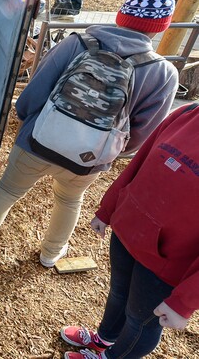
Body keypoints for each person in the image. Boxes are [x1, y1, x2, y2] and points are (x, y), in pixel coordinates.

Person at [0, 0, 179, 268]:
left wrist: (25, 120)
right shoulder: (162, 73)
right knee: (69, 200)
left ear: (122, 13)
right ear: (161, 25)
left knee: (7, 190)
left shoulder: (77, 43)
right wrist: (110, 152)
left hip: (39, 140)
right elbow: (143, 131)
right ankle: (51, 254)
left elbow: (35, 90)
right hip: (89, 158)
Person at [60, 102, 199, 359]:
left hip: (167, 263)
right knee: (118, 294)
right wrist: (108, 209)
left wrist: (185, 301)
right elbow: (139, 163)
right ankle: (104, 339)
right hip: (129, 231)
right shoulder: (188, 113)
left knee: (140, 321)